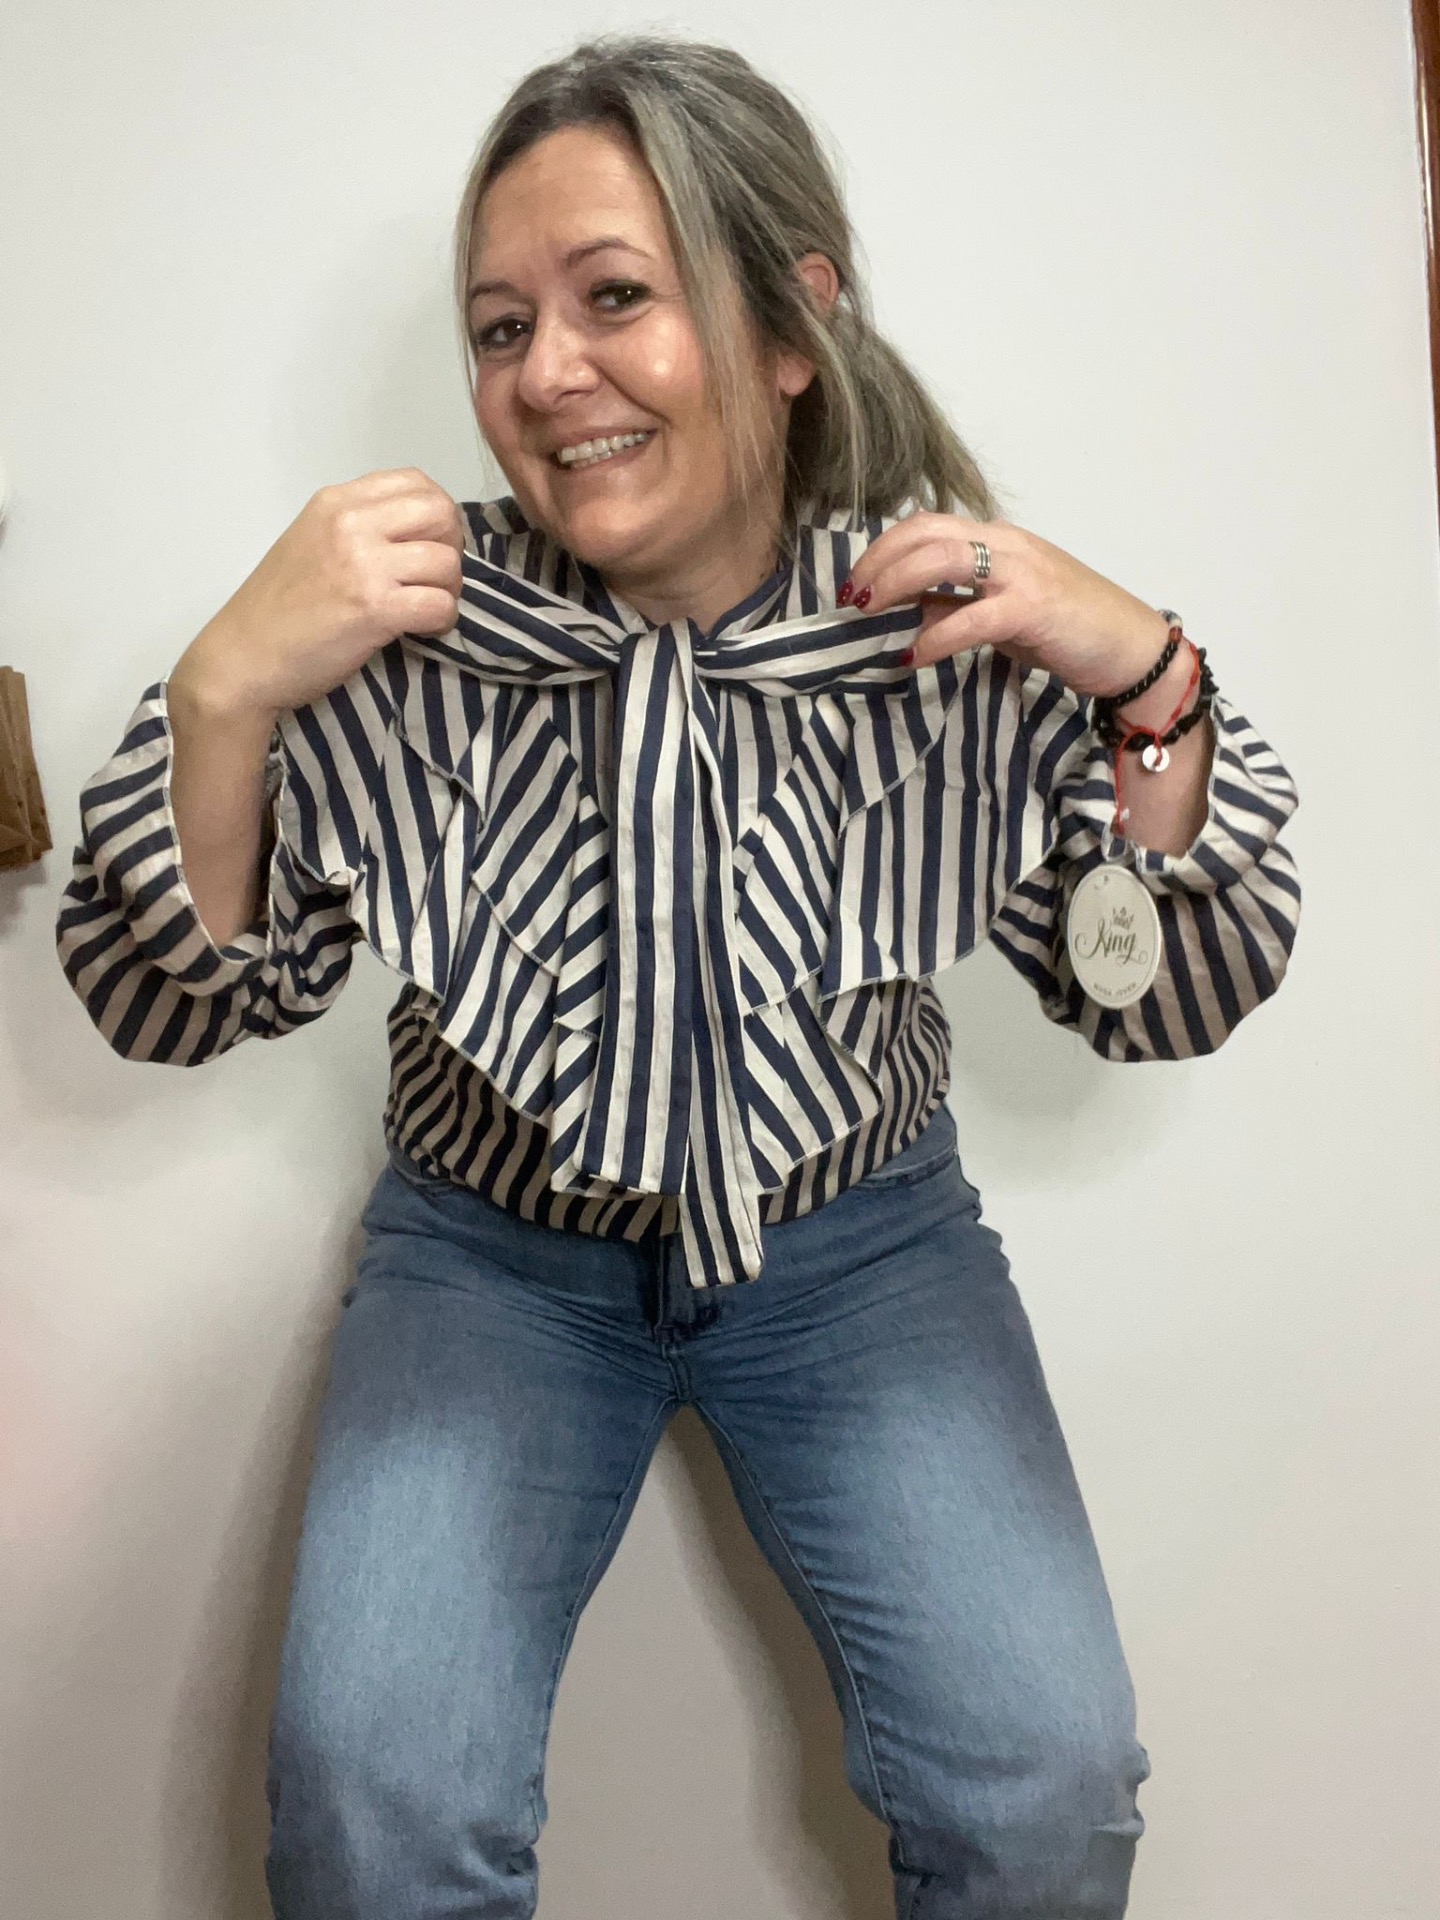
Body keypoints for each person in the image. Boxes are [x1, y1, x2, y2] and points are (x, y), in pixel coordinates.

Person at [56, 34, 1300, 1920]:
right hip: (490, 1256)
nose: (546, 374)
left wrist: (1144, 671)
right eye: (499, 328)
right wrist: (222, 688)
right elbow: (171, 1002)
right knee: (371, 1810)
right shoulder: (411, 630)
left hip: (863, 1247)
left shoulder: (937, 616)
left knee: (1046, 1788)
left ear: (793, 322)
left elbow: (1166, 992)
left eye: (614, 297)